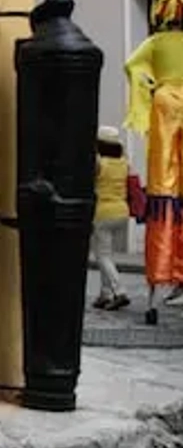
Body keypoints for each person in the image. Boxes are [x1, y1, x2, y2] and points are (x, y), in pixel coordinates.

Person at [124, 0, 183, 324]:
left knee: (163, 188)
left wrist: (146, 91)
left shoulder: (156, 43)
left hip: (164, 107)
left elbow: (132, 65)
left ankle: (159, 283)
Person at [91, 125, 131, 311]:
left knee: (102, 256)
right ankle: (105, 294)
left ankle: (120, 291)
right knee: (107, 254)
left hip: (103, 212)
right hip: (122, 211)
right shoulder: (124, 162)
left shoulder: (99, 162)